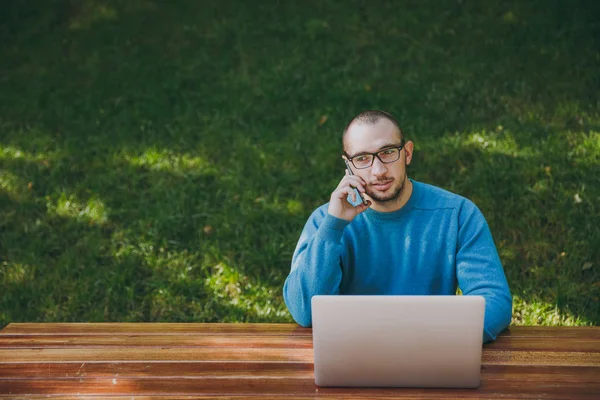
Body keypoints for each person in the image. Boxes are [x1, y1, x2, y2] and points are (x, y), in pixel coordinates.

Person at [283, 110, 512, 342]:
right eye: (362, 158)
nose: (378, 171)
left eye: (388, 152)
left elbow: (494, 299)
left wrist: (430, 340)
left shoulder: (458, 214)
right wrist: (333, 227)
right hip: (354, 361)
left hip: (434, 354)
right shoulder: (326, 221)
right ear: (348, 165)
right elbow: (304, 312)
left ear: (408, 153)